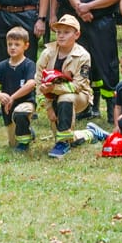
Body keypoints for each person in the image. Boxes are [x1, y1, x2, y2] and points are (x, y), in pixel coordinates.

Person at [35, 14, 93, 158]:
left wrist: (53, 89)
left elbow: (77, 86)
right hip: (51, 97)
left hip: (79, 96)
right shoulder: (47, 53)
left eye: (66, 32)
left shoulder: (83, 56)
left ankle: (63, 144)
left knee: (66, 98)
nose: (61, 36)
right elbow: (38, 81)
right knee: (66, 133)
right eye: (58, 32)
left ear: (77, 34)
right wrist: (48, 107)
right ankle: (89, 133)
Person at [0, 26, 37, 151]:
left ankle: (24, 143)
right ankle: (28, 132)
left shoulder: (29, 64)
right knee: (12, 143)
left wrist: (13, 97)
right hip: (7, 107)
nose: (12, 47)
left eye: (17, 44)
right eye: (10, 44)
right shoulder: (2, 66)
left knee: (21, 113)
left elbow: (31, 84)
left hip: (25, 103)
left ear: (26, 46)